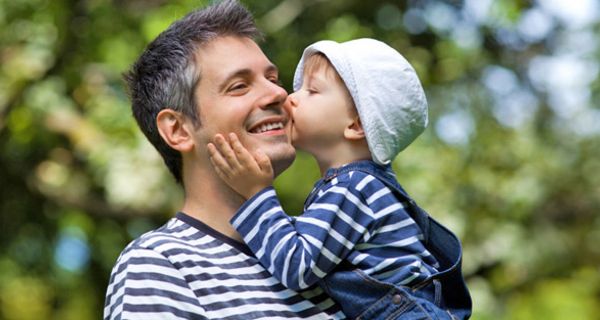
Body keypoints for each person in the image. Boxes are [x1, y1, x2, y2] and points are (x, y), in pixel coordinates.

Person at [103, 1, 346, 319]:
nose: (278, 94)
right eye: (240, 86)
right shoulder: (158, 265)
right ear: (178, 130)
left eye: (273, 78)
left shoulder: (323, 246)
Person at [207, 38, 472, 319]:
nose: (290, 97)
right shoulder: (359, 187)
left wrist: (257, 194)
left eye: (312, 90)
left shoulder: (354, 189)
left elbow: (297, 267)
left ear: (356, 124)